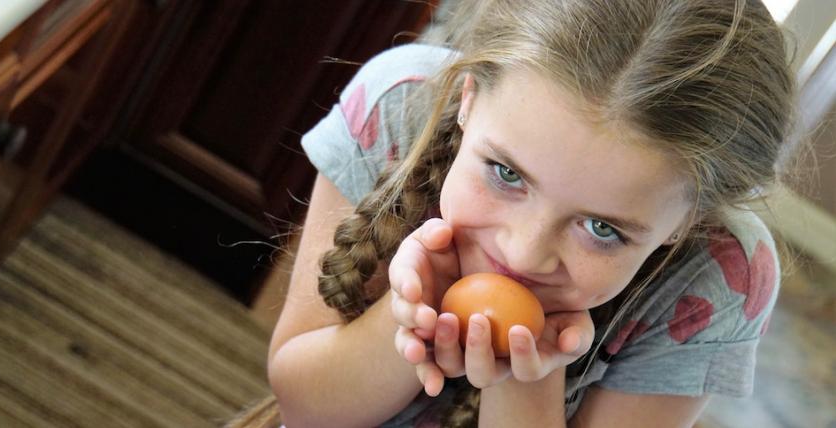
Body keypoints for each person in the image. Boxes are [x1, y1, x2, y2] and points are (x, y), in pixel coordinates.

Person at [266, 0, 797, 426]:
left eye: (602, 229)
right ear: (468, 98)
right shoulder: (401, 106)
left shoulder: (724, 276)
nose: (522, 253)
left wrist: (528, 376)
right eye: (506, 173)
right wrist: (408, 316)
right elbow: (305, 408)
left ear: (686, 223)